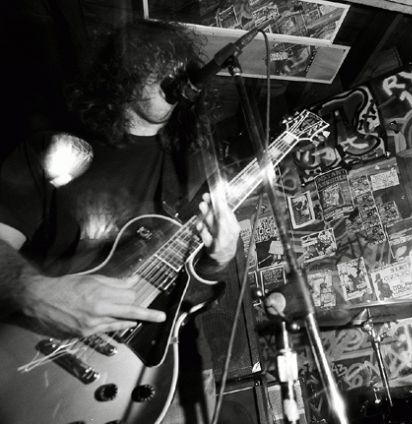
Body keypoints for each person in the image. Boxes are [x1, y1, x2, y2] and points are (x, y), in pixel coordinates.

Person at [0, 19, 241, 423]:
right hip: (42, 362)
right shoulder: (56, 148)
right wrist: (35, 292)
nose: (174, 75)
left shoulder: (200, 166)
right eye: (156, 63)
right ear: (122, 75)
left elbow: (198, 293)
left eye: (179, 66)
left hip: (169, 373)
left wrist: (220, 257)